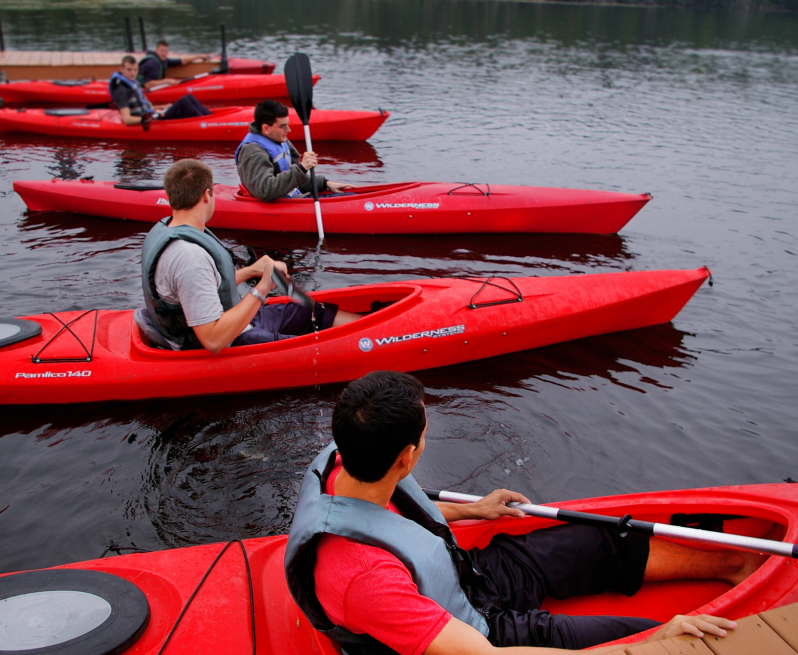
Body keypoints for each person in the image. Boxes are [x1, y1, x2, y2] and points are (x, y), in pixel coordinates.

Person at [285, 371, 758, 655]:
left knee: (596, 541)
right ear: (407, 457)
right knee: (650, 638)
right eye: (427, 430)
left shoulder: (350, 455)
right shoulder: (364, 581)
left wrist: (477, 510)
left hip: (467, 577)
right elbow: (483, 653)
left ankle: (736, 565)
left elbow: (396, 520)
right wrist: (658, 640)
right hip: (478, 631)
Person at [137, 159, 361, 353]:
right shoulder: (189, 257)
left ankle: (369, 331)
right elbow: (213, 341)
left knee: (310, 311)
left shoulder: (170, 228)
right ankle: (370, 344)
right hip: (227, 340)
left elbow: (201, 288)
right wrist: (263, 287)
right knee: (312, 346)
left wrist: (251, 271)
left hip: (233, 320)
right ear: (207, 195)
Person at [235, 100, 353, 201]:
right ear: (266, 129)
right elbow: (265, 191)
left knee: (353, 195)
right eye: (283, 126)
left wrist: (324, 184)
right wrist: (301, 168)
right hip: (282, 205)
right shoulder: (253, 151)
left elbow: (294, 179)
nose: (289, 130)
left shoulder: (279, 139)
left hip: (295, 198)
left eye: (288, 124)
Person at [110, 56, 210, 131]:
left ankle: (210, 118)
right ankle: (209, 124)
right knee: (184, 103)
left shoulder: (133, 84)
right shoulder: (121, 90)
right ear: (121, 69)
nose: (132, 73)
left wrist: (162, 106)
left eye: (135, 70)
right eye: (129, 69)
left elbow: (145, 107)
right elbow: (127, 119)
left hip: (153, 116)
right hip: (149, 121)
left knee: (188, 98)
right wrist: (149, 118)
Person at [139, 40, 208, 90]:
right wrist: (167, 81)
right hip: (142, 90)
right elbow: (147, 84)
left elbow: (182, 61)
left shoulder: (163, 60)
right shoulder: (153, 63)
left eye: (166, 51)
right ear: (156, 51)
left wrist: (199, 56)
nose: (164, 53)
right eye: (162, 50)